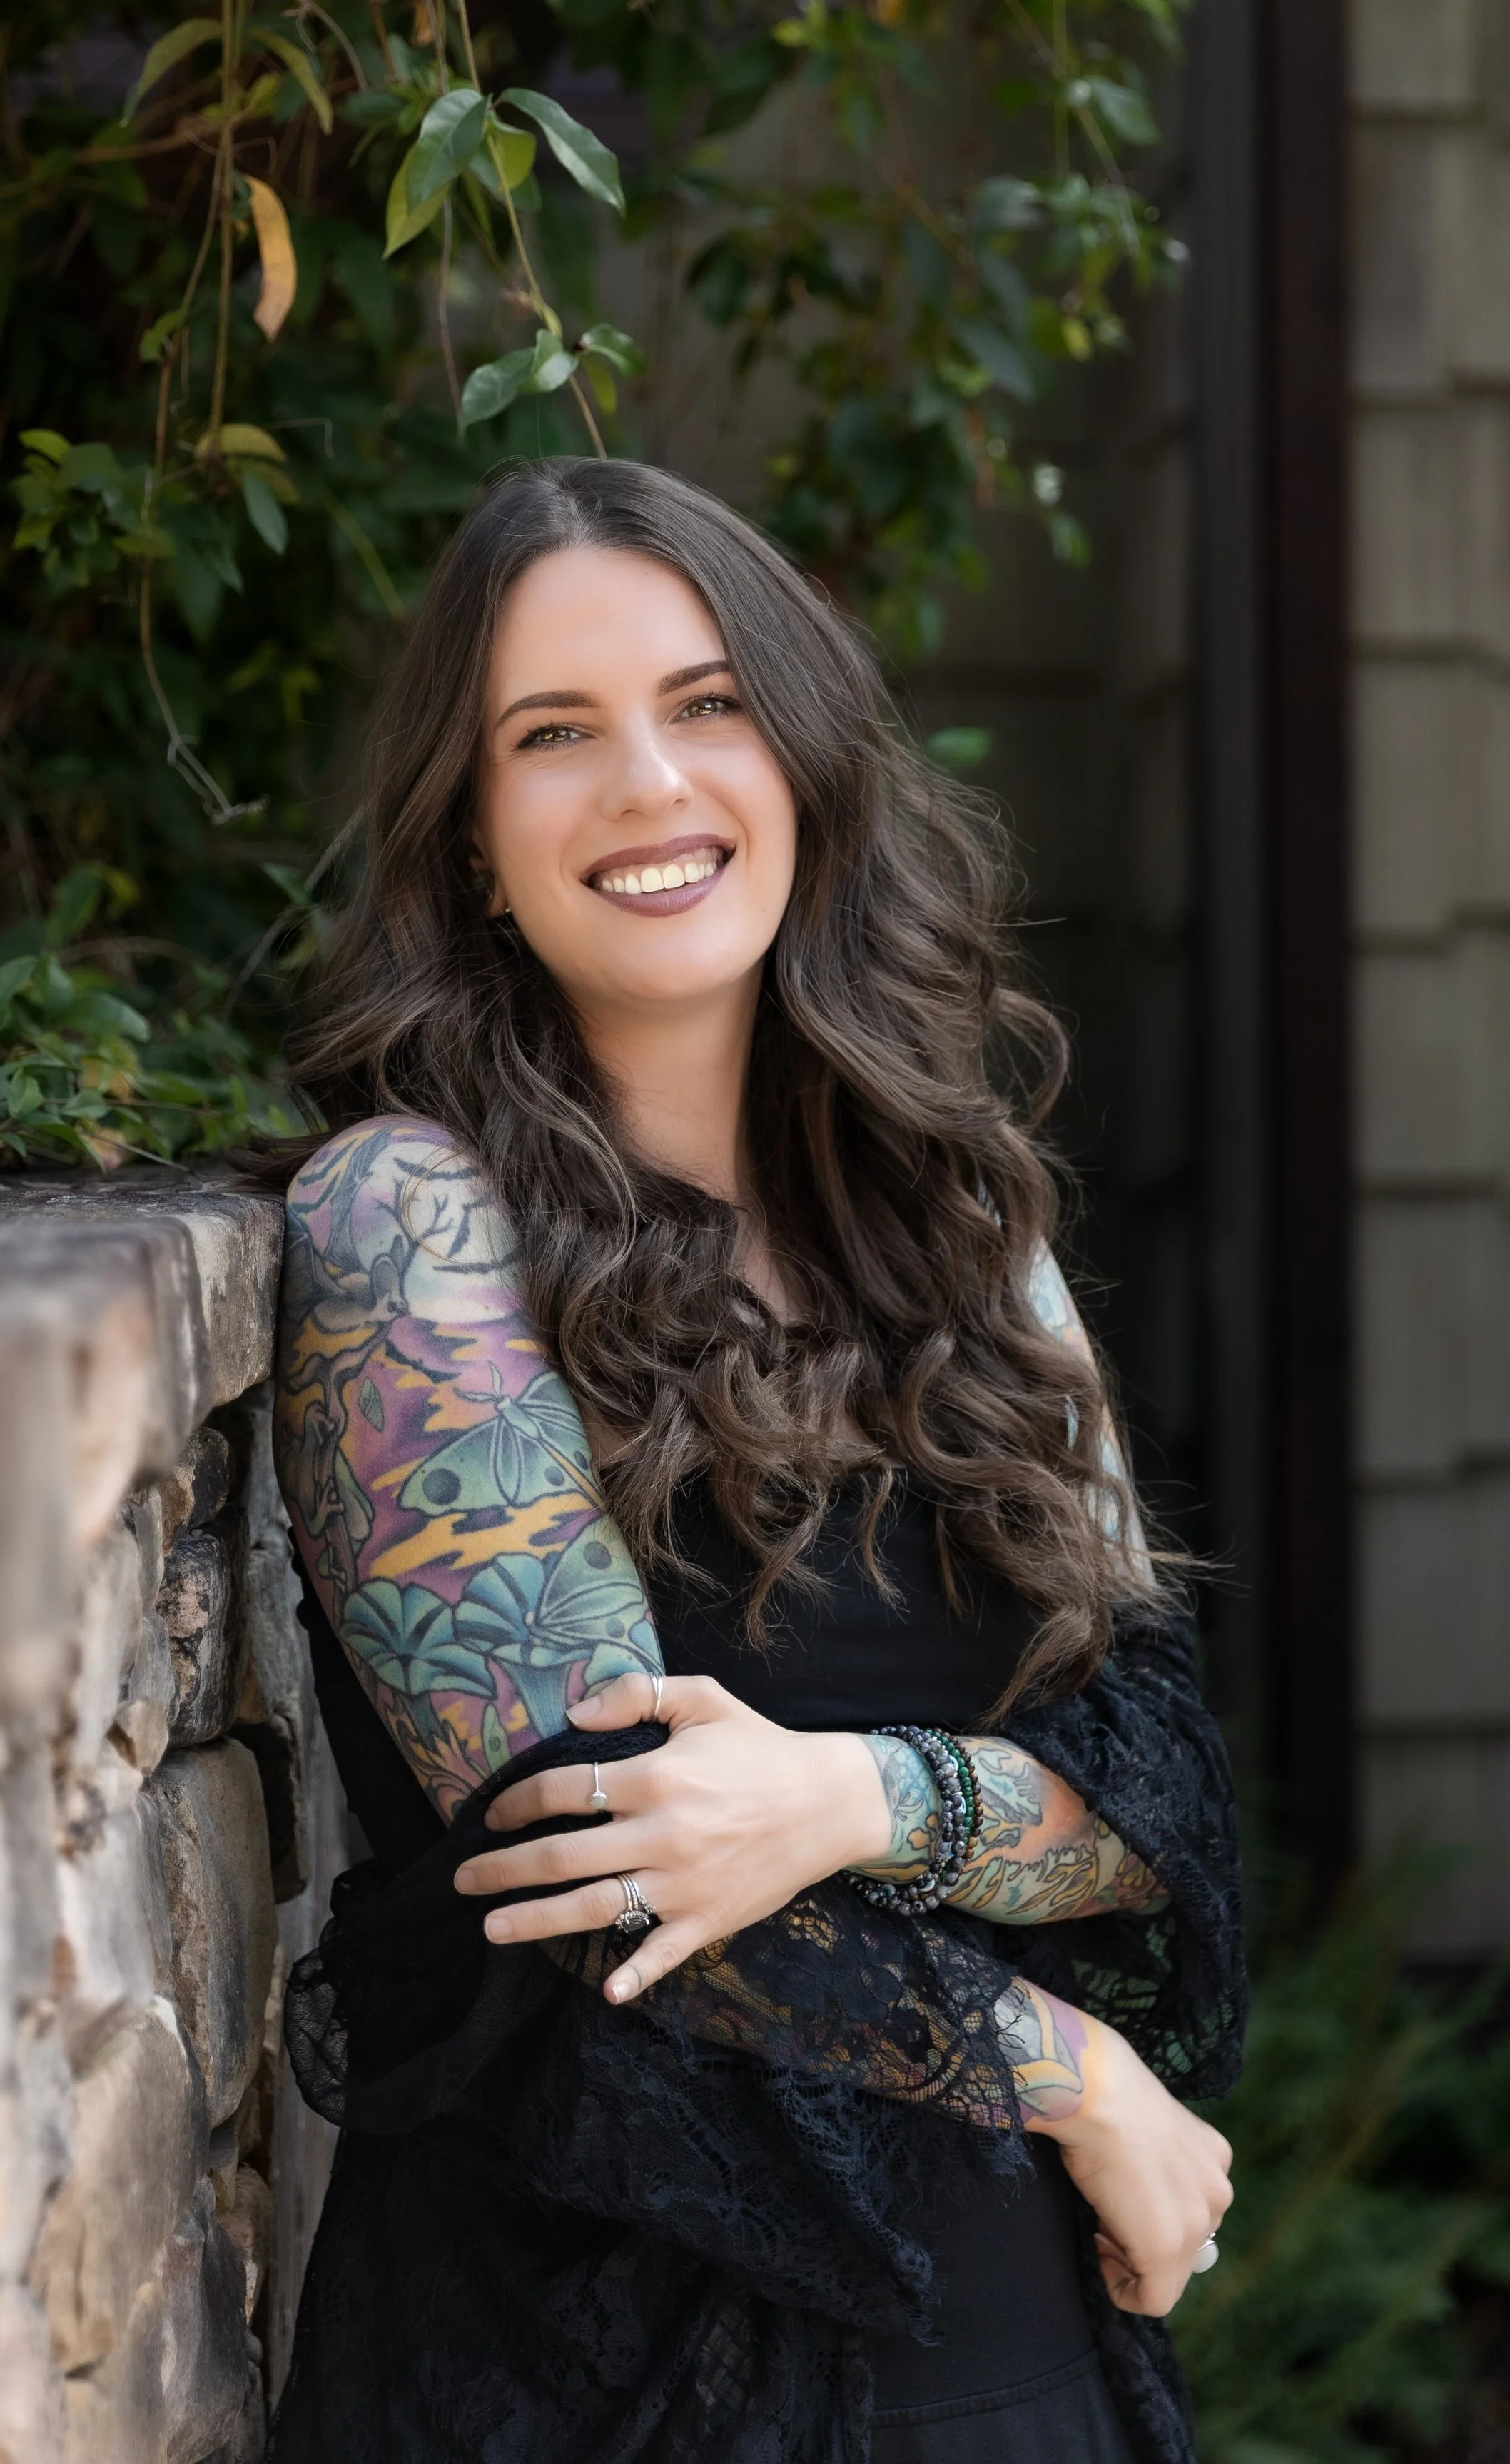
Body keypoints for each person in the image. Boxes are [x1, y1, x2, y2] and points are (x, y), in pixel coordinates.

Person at [260, 457, 1244, 2464]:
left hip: (1013, 2353)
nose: (646, 783)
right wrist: (1068, 2068)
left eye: (705, 703)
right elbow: (595, 1871)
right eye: (554, 735)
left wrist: (836, 1795)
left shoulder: (959, 1228)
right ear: (467, 842)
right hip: (600, 2364)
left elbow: (1153, 1790)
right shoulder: (411, 1228)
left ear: (799, 756)